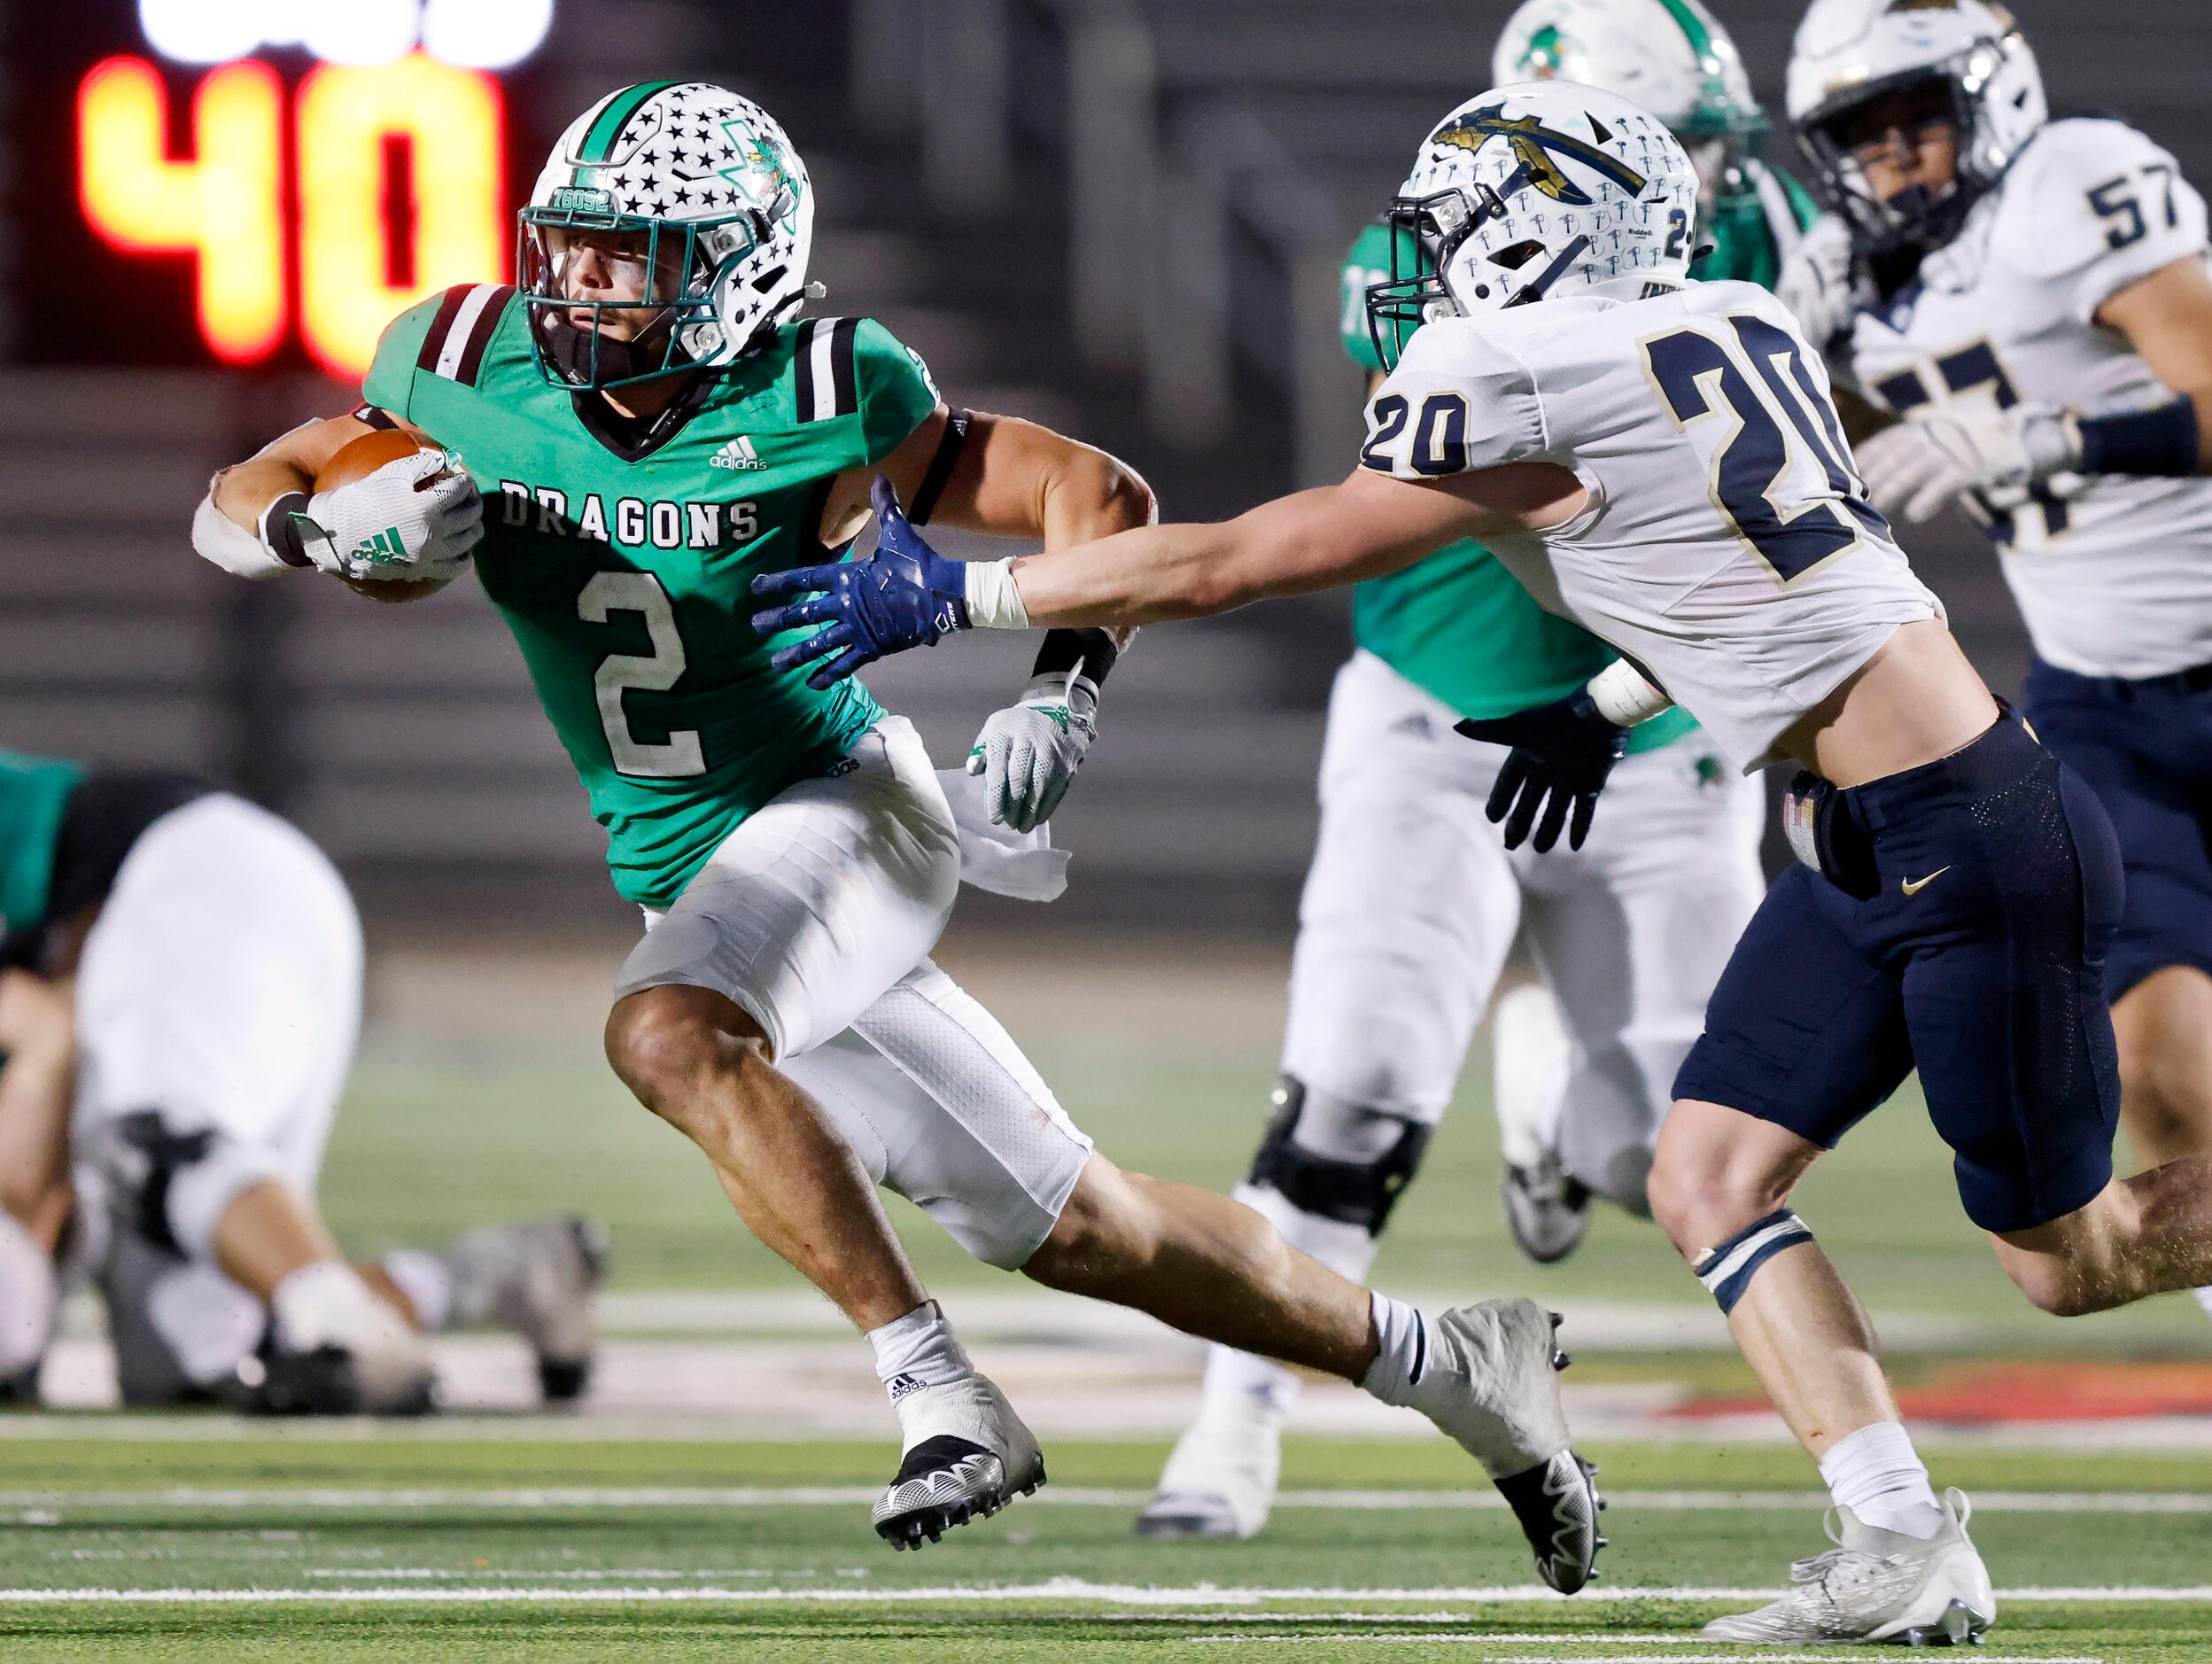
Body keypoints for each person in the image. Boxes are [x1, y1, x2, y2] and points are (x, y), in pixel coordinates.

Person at [756, 75, 2212, 1645]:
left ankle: (1908, 1525)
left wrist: (967, 602)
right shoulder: (1734, 315)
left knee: (2072, 1260)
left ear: (1534, 236)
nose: (1417, 264)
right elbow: (1779, 580)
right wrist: (1602, 702)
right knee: (1705, 1173)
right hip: (1881, 820)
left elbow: (1247, 558)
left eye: (1450, 227)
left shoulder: (1510, 365)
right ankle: (1900, 1534)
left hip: (1968, 839)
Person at [186, 82, 1603, 1580]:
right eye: (572, 247)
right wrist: (316, 527)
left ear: (739, 264)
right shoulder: (462, 358)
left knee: (668, 1033)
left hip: (844, 811)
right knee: (1087, 1227)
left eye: (630, 256)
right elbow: (236, 497)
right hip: (697, 867)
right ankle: (1460, 1365)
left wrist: (1066, 685)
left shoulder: (819, 387)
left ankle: (938, 1391)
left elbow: (1090, 489)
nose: (582, 287)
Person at [1136, 0, 1801, 1543]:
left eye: (1697, 151)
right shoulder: (1439, 257)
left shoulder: (1764, 242)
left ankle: (1560, 1103)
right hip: (1440, 717)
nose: (1698, 189)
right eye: (1663, 151)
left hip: (1658, 732)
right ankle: (1234, 1420)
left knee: (1683, 1153)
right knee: (1353, 1084)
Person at [1781, 0, 2212, 1331]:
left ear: (1992, 98)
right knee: (2157, 1065)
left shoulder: (2067, 184)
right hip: (2105, 694)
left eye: (1919, 116)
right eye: (1863, 131)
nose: (1896, 154)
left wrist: (2052, 436)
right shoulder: (1845, 280)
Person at [0, 747, 601, 1413]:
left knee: (149, 1136)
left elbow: (42, 1027)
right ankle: (493, 1277)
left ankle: (340, 1318)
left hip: (203, 877)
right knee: (194, 1359)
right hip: (189, 936)